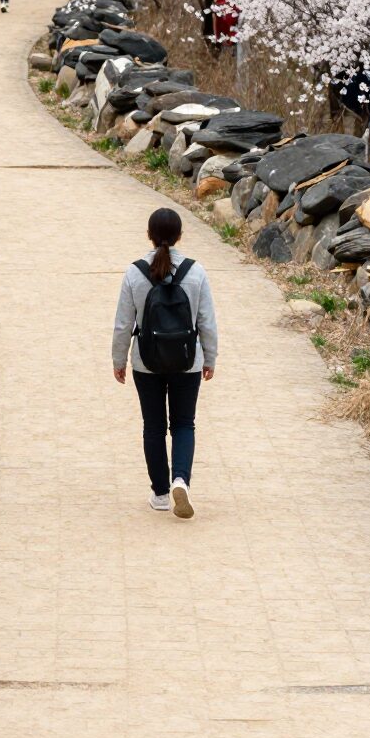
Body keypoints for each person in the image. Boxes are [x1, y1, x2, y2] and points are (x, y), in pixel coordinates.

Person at [112, 207, 218, 519]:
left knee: (154, 426)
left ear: (149, 234)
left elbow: (122, 324)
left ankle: (159, 492)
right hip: (188, 361)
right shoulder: (196, 272)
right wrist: (209, 357)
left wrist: (119, 359)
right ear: (180, 235)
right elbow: (207, 322)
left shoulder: (134, 273)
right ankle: (181, 479)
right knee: (184, 423)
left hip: (146, 362)